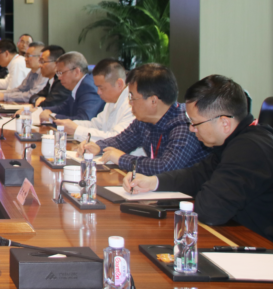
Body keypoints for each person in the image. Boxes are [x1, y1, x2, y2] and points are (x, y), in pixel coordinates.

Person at [124, 75, 273, 241]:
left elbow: (211, 210)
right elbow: (197, 175)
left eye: (195, 123)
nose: (191, 129)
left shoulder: (248, 150)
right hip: (239, 235)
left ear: (224, 123)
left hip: (260, 244)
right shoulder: (234, 141)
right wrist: (153, 182)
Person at [79, 63, 209, 174]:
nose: (130, 102)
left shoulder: (184, 124)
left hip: (187, 194)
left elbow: (165, 167)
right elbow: (121, 141)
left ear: (153, 101)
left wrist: (122, 159)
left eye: (132, 97)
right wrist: (98, 146)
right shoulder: (144, 121)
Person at [56, 59, 141, 154]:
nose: (98, 92)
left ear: (119, 84)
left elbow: (117, 139)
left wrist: (77, 130)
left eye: (101, 88)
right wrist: (71, 124)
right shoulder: (111, 101)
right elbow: (96, 125)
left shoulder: (133, 105)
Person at [38, 52, 104, 121]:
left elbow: (83, 119)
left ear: (76, 72)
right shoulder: (77, 85)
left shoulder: (88, 88)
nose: (59, 78)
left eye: (61, 73)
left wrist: (52, 117)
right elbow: (63, 108)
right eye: (57, 73)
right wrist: (39, 110)